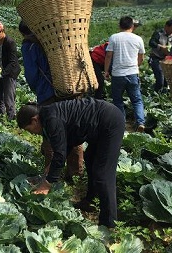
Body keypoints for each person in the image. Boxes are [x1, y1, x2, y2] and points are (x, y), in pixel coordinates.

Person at [17, 98, 125, 228]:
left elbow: (60, 154)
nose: (32, 134)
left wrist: (47, 184)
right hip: (99, 125)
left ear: (34, 120)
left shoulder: (52, 120)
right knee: (90, 159)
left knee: (103, 174)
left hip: (110, 121)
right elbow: (65, 145)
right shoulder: (47, 116)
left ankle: (109, 223)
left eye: (29, 130)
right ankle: (90, 201)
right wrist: (52, 166)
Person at [19, 20, 84, 181]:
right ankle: (75, 173)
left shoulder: (30, 45)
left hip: (48, 93)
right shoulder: (59, 39)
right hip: (71, 89)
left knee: (49, 132)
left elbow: (32, 75)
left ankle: (50, 175)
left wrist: (38, 90)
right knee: (74, 130)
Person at [104, 16, 146, 132]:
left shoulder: (114, 38)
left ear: (120, 26)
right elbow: (141, 57)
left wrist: (106, 71)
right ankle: (140, 122)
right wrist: (136, 66)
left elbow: (108, 55)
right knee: (136, 100)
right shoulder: (138, 39)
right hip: (132, 73)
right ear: (132, 26)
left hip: (117, 74)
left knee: (118, 100)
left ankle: (121, 125)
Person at [0, 21, 20, 120]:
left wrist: (2, 74)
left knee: (8, 97)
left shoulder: (10, 42)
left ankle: (11, 118)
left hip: (10, 72)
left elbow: (13, 62)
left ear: (2, 31)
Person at [149, 18, 172, 93]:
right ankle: (156, 96)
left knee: (167, 80)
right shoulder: (158, 33)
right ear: (166, 27)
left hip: (166, 60)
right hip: (156, 59)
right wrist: (161, 47)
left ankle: (163, 96)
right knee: (160, 79)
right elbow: (151, 43)